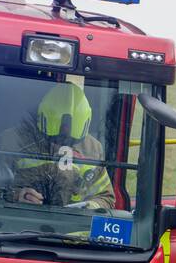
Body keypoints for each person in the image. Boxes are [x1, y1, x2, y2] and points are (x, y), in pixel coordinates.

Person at [11, 81, 114, 210]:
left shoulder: (93, 149)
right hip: (22, 218)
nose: (61, 146)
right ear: (43, 120)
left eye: (71, 140)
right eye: (57, 138)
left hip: (72, 224)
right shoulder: (16, 141)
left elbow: (106, 197)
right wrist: (17, 195)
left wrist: (90, 206)